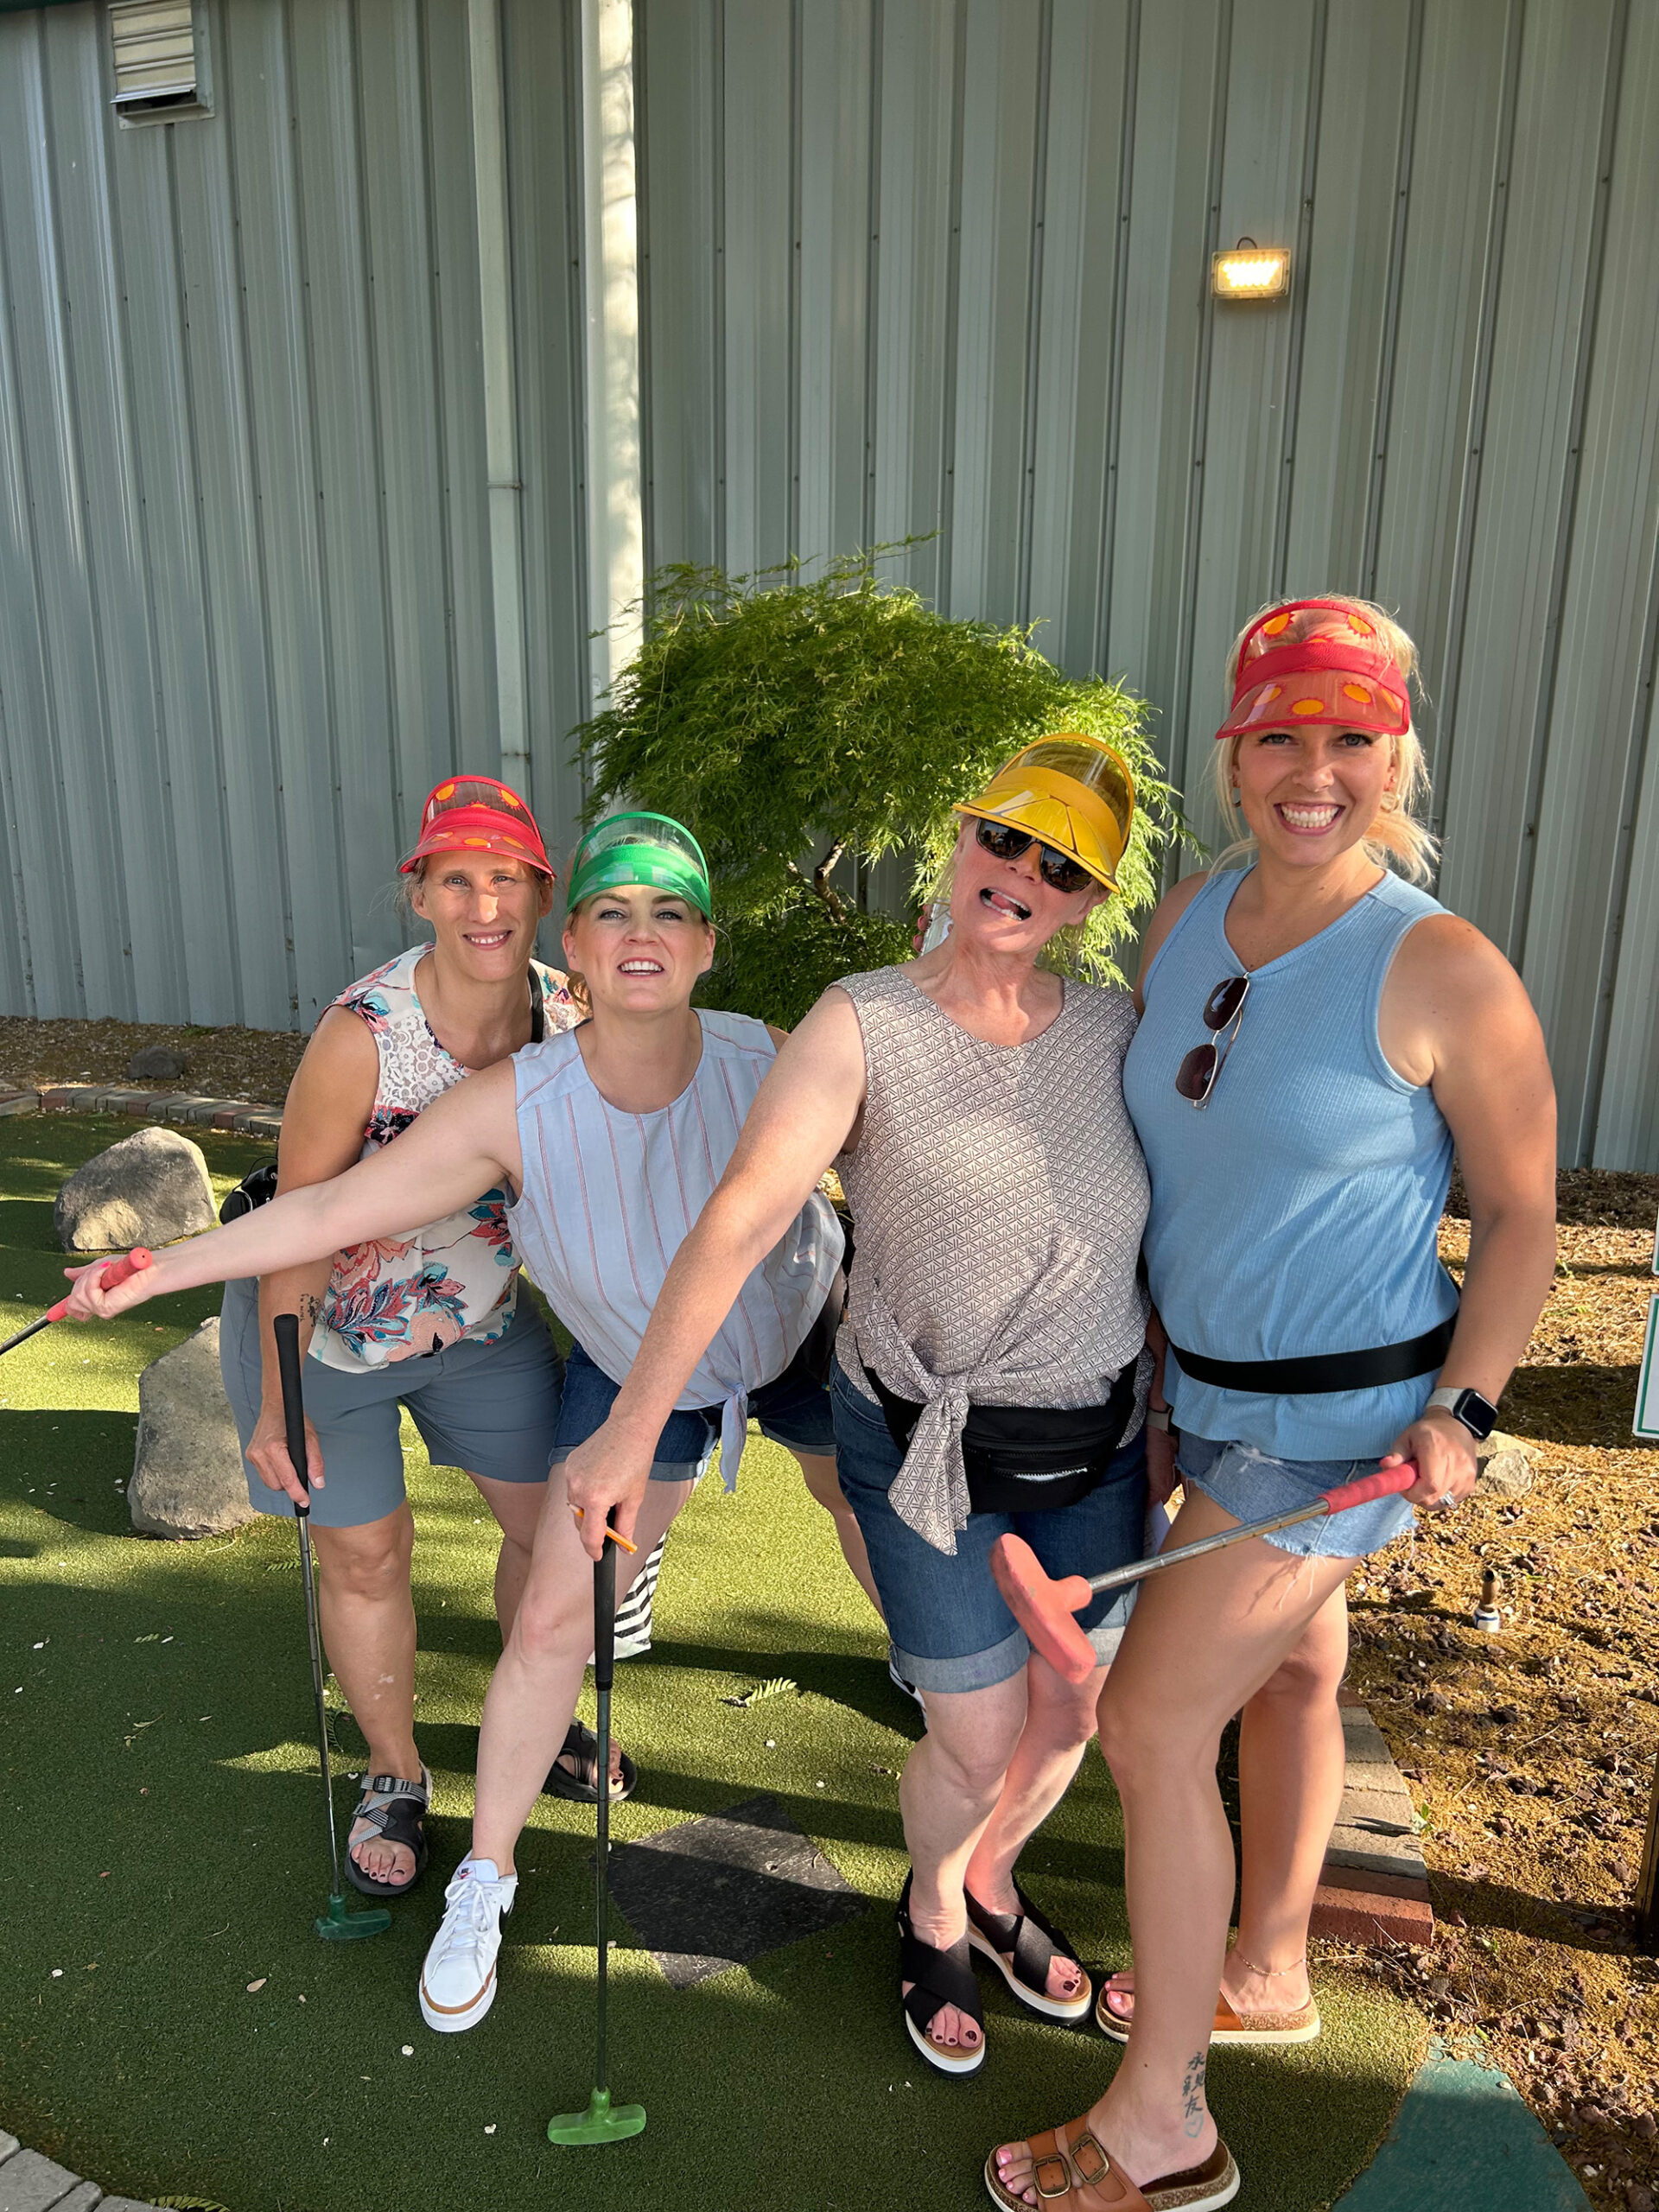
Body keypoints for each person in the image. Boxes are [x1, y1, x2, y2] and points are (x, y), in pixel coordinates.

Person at [62, 810, 846, 2034]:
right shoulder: (462, 1077)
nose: (640, 935)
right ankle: (465, 1848)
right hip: (509, 1357)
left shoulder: (749, 1047)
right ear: (574, 941)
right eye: (613, 912)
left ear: (704, 944)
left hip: (729, 1337)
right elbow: (322, 1209)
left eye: (670, 912)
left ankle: (928, 1706)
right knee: (494, 1590)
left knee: (817, 1518)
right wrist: (157, 1274)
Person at [986, 598, 1557, 2212]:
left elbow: (1525, 1217)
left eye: (1351, 739)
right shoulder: (1186, 917)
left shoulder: (1443, 966)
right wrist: (1166, 1383)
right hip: (1206, 1396)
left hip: (1343, 1431)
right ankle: (1268, 1967)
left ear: (1397, 759)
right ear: (1234, 756)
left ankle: (1164, 2127)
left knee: (1154, 1727)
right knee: (1295, 1671)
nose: (1314, 773)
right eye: (1280, 738)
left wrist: (1468, 1411)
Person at [556, 735, 1154, 2077]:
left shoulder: (1116, 1030)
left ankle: (993, 1881)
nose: (1023, 874)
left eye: (1062, 867)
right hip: (924, 1436)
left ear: (1087, 903)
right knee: (976, 1733)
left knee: (1070, 1709)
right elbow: (739, 1220)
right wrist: (630, 1425)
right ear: (961, 838)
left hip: (1097, 1441)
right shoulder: (861, 1020)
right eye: (1005, 838)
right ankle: (935, 1905)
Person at [220, 773, 580, 1898]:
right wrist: (278, 1400)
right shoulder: (363, 1035)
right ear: (419, 894)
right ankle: (394, 1769)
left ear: (543, 893)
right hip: (326, 1336)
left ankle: (540, 1703)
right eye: (457, 879)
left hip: (479, 1324)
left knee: (554, 1536)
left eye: (508, 878)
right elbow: (300, 1221)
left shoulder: (571, 1016)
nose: (486, 905)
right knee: (366, 1557)